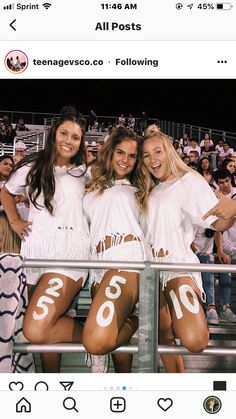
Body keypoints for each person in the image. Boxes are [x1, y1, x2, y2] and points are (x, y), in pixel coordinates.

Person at [1, 108, 90, 373]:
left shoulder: (85, 172)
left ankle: (103, 336)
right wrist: (16, 221)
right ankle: (53, 387)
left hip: (69, 256)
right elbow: (6, 193)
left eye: (75, 137)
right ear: (54, 134)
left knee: (37, 327)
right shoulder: (32, 166)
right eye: (64, 133)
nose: (69, 140)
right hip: (34, 255)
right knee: (47, 332)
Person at [137, 131, 234, 362]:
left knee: (195, 338)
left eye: (158, 152)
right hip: (148, 271)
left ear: (169, 151)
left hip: (177, 266)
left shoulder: (190, 182)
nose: (152, 160)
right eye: (146, 155)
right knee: (163, 337)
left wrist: (232, 212)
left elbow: (218, 221)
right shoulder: (146, 187)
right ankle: (176, 389)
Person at [82, 126, 147, 373]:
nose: (126, 161)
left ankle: (140, 320)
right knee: (119, 350)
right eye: (120, 153)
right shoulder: (91, 186)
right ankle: (120, 396)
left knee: (98, 341)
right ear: (110, 153)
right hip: (98, 266)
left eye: (132, 156)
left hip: (127, 260)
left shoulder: (141, 189)